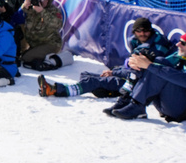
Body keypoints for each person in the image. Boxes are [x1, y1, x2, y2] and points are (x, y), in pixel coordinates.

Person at [38, 17, 174, 101]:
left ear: (151, 31)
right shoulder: (136, 42)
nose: (143, 34)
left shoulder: (156, 45)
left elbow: (139, 71)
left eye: (146, 31)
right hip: (133, 77)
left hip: (141, 84)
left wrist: (114, 72)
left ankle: (55, 90)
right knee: (86, 76)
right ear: (134, 32)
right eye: (139, 31)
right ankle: (99, 88)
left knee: (91, 81)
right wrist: (115, 70)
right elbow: (131, 67)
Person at [105, 31, 186, 122]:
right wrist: (133, 63)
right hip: (173, 102)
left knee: (160, 69)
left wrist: (150, 65)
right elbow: (156, 63)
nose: (178, 44)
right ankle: (128, 101)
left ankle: (137, 105)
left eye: (184, 43)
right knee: (158, 62)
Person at [16, 0, 65, 68]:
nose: (39, 2)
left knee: (26, 58)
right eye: (36, 0)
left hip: (50, 44)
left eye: (42, 0)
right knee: (20, 55)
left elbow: (58, 24)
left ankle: (52, 58)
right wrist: (23, 7)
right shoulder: (31, 9)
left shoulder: (54, 10)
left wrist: (42, 11)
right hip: (34, 44)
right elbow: (16, 18)